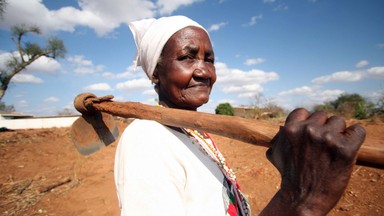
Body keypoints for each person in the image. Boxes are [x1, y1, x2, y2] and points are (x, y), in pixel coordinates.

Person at [114, 15, 366, 216]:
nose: (204, 72)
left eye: (209, 59)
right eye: (187, 57)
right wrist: (301, 200)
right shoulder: (146, 138)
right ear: (156, 74)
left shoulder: (193, 131)